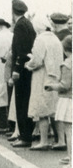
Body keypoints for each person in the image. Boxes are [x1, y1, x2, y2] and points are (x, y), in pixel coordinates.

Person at [25, 16, 63, 150]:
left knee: (42, 109)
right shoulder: (55, 38)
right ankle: (61, 141)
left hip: (43, 76)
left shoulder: (40, 39)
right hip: (56, 76)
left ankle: (44, 141)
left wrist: (28, 64)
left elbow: (37, 61)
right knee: (54, 110)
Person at [9, 0, 37, 148]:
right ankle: (26, 134)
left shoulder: (19, 26)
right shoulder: (28, 24)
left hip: (22, 71)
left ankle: (25, 137)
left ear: (13, 12)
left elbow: (21, 51)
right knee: (26, 101)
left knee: (21, 103)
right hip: (28, 70)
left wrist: (16, 70)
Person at [46, 35, 71, 168]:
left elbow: (65, 85)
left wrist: (52, 86)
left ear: (65, 49)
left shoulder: (67, 64)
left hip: (68, 100)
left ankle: (71, 162)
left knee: (70, 131)